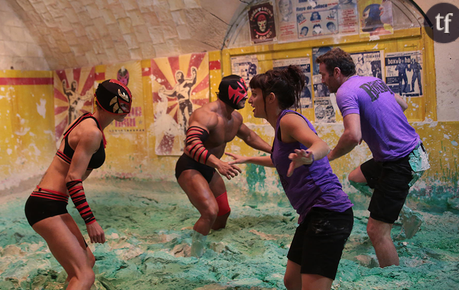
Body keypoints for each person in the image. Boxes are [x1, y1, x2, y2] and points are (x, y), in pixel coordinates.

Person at [227, 66, 353, 290]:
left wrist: (309, 157)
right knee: (291, 281)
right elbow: (280, 162)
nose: (250, 100)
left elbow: (320, 145)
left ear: (271, 98)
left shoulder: (288, 120)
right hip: (312, 214)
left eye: (254, 94)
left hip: (329, 212)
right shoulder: (280, 129)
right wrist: (247, 159)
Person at [316, 48, 430, 267]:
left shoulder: (344, 92)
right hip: (413, 152)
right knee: (357, 177)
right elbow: (403, 105)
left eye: (323, 75)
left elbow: (352, 135)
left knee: (376, 232)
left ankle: (394, 277)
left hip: (402, 161)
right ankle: (405, 214)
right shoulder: (372, 81)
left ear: (337, 71)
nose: (322, 81)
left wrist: (327, 157)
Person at [25, 80, 132, 290]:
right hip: (45, 206)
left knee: (87, 262)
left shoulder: (88, 122)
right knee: (85, 276)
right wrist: (90, 220)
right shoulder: (92, 132)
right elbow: (72, 178)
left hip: (53, 204)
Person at [175, 75, 271, 257]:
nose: (247, 99)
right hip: (190, 166)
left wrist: (274, 150)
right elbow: (192, 144)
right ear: (231, 93)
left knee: (223, 213)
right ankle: (194, 256)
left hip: (209, 167)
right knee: (210, 212)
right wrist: (218, 163)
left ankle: (202, 234)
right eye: (243, 95)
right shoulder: (206, 115)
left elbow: (250, 137)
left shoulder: (235, 118)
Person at [159, 67, 197, 136]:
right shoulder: (177, 86)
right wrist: (164, 92)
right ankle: (185, 137)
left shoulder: (186, 82)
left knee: (188, 119)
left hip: (186, 103)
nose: (178, 77)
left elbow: (193, 81)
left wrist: (194, 73)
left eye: (179, 75)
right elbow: (173, 94)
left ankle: (192, 135)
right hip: (181, 104)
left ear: (182, 76)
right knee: (182, 122)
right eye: (177, 76)